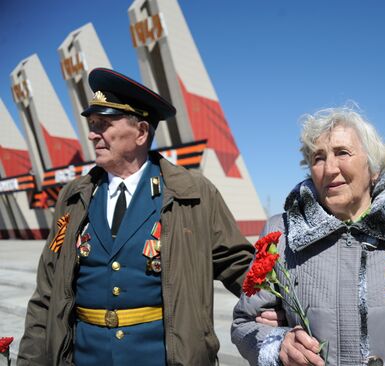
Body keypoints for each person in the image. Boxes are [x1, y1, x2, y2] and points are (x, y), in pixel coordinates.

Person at [17, 68, 256, 365]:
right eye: (92, 124)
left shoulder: (192, 192)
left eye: (103, 124)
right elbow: (47, 292)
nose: (92, 134)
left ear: (141, 132)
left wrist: (285, 308)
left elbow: (240, 266)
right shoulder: (74, 196)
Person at [232, 106, 385, 365]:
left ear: (373, 168)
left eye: (342, 153)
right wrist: (278, 343)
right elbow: (245, 323)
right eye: (318, 158)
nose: (329, 168)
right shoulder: (281, 233)